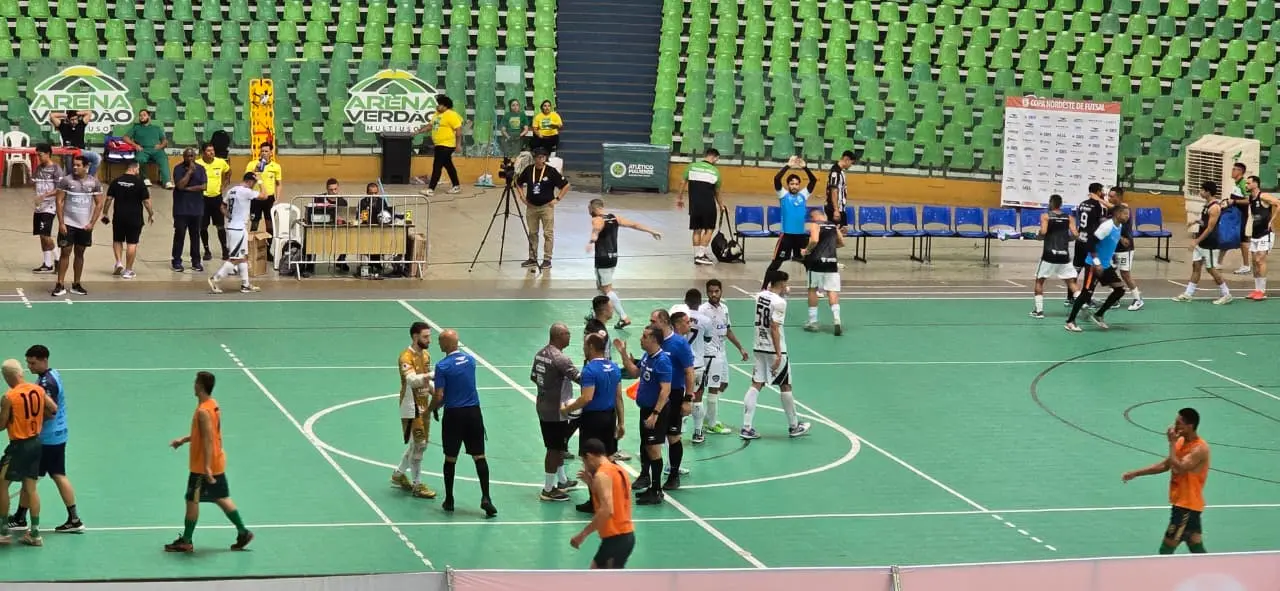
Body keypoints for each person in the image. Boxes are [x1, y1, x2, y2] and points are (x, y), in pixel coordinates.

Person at [164, 372, 253, 553]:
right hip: (217, 461)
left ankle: (186, 541)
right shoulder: (213, 405)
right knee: (221, 498)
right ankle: (243, 531)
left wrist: (206, 468)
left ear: (200, 386)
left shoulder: (203, 411)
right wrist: (184, 440)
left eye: (195, 382)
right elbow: (206, 434)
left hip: (202, 467)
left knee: (191, 500)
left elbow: (208, 440)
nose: (193, 385)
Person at [9, 346, 83, 533]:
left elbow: (50, 412)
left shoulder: (46, 384)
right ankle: (21, 516)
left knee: (35, 477)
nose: (29, 367)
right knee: (52, 475)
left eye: (32, 363)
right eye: (27, 363)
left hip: (47, 439)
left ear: (44, 360)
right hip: (58, 435)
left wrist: (27, 417)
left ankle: (22, 518)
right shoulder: (52, 375)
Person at [1122, 408, 1210, 555]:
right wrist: (1136, 473)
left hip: (1186, 506)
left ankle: (1161, 576)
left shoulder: (1200, 449)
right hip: (1185, 504)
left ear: (1190, 426)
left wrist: (1171, 444)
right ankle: (1211, 574)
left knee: (1166, 549)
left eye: (1179, 423)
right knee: (1195, 546)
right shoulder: (1181, 442)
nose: (1175, 426)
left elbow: (1180, 468)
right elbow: (1166, 465)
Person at [429, 330, 497, 517]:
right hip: (473, 413)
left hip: (454, 415)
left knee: (450, 458)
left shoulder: (442, 366)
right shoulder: (471, 361)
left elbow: (440, 395)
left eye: (441, 342)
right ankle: (486, 497)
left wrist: (431, 409)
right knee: (479, 456)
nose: (439, 345)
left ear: (448, 344)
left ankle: (449, 499)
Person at [742, 270, 811, 440]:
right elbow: (774, 326)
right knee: (785, 385)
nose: (787, 286)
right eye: (785, 283)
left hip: (758, 346)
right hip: (774, 348)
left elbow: (770, 301)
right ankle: (794, 426)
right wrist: (779, 353)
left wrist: (782, 294)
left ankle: (746, 427)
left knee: (756, 384)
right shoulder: (780, 303)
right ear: (781, 283)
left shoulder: (760, 296)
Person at [561, 333, 623, 512]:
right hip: (610, 417)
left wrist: (567, 409)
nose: (582, 348)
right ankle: (611, 499)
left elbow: (586, 397)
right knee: (608, 459)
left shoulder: (589, 370)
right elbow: (618, 397)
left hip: (593, 419)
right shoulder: (614, 367)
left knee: (590, 460)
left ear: (590, 348)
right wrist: (622, 422)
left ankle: (595, 502)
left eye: (584, 345)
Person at [0, 358, 58, 546]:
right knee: (31, 489)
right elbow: (53, 409)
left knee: (1, 486)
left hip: (18, 447)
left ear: (6, 377)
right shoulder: (38, 390)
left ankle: (3, 532)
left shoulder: (9, 396)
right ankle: (34, 534)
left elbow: (1, 425)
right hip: (36, 444)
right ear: (21, 373)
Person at [614, 325, 672, 505]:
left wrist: (655, 414)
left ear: (654, 340)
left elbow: (665, 390)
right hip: (645, 410)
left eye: (645, 336)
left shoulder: (662, 360)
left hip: (656, 412)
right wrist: (623, 353)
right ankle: (652, 487)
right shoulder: (648, 356)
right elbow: (634, 372)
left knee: (654, 449)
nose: (641, 338)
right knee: (647, 447)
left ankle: (656, 490)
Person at [586, 198, 663, 330]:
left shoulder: (597, 218)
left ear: (593, 208)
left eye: (589, 208)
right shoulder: (614, 218)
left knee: (607, 290)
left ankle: (623, 317)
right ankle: (595, 315)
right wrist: (651, 231)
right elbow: (634, 224)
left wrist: (593, 238)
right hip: (613, 257)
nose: (588, 210)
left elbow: (597, 227)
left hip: (602, 258)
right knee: (600, 287)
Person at [532, 323, 584, 502]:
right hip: (557, 411)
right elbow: (580, 379)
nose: (570, 336)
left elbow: (534, 377)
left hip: (543, 405)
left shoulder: (540, 354)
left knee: (559, 446)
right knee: (554, 449)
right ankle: (548, 489)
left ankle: (562, 481)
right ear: (559, 335)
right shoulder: (560, 359)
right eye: (568, 333)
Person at [569, 438, 635, 569]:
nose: (584, 466)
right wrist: (591, 483)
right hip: (624, 536)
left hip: (615, 538)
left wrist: (583, 534)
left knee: (604, 583)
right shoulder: (617, 470)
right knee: (599, 578)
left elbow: (607, 510)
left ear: (589, 456)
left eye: (583, 461)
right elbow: (615, 497)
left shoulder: (601, 475)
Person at [1065, 204, 1130, 332]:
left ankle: (1099, 314)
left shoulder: (1119, 226)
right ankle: (1070, 321)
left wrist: (1122, 239)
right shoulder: (1107, 226)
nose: (1127, 216)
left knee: (1120, 289)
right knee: (1086, 294)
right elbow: (1090, 243)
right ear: (1117, 214)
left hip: (1105, 265)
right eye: (1125, 214)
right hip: (1094, 265)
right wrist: (1096, 262)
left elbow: (1110, 240)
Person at [391, 322, 437, 499]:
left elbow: (426, 381)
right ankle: (417, 485)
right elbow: (411, 380)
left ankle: (398, 473)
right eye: (426, 336)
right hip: (411, 407)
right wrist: (432, 375)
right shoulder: (405, 357)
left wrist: (439, 392)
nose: (429, 340)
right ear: (415, 336)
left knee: (417, 444)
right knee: (420, 445)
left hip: (424, 405)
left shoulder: (425, 355)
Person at [697, 279, 748, 436]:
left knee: (723, 384)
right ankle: (711, 424)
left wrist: (740, 348)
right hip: (710, 353)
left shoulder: (724, 308)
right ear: (707, 292)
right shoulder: (702, 310)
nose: (713, 294)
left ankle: (707, 418)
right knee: (712, 387)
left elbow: (727, 330)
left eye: (716, 291)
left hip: (722, 351)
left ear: (721, 291)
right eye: (711, 291)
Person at [585, 295, 632, 464]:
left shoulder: (595, 325)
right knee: (609, 404)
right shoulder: (599, 331)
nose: (613, 309)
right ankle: (612, 444)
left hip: (600, 370)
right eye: (611, 307)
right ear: (604, 309)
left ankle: (612, 444)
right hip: (603, 372)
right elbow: (592, 352)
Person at [651, 309, 695, 490]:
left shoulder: (679, 344)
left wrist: (687, 399)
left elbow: (689, 372)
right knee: (651, 436)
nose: (651, 324)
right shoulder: (655, 341)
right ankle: (646, 475)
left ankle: (673, 475)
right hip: (657, 392)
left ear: (663, 321)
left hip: (675, 394)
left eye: (653, 321)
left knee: (673, 436)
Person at [52, 155, 105, 297]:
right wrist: (62, 223)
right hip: (68, 224)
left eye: (78, 165)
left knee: (80, 253)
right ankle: (60, 284)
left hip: (84, 226)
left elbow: (99, 203)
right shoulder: (66, 181)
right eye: (74, 165)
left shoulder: (94, 183)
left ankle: (76, 284)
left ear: (86, 167)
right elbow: (59, 202)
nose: (75, 167)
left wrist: (92, 223)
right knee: (65, 253)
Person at [1173, 181, 1233, 305]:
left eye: (1202, 190)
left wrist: (1196, 241)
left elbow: (1210, 228)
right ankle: (1188, 294)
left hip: (1210, 243)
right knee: (1196, 266)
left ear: (1208, 192)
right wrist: (1195, 221)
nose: (1200, 192)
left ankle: (1226, 294)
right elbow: (1205, 222)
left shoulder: (1215, 207)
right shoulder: (1207, 205)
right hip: (1201, 242)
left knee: (1211, 269)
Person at [207, 173, 268, 294]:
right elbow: (265, 196)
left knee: (243, 257)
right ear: (250, 182)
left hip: (234, 227)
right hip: (238, 229)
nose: (253, 186)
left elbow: (222, 207)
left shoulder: (232, 190)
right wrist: (260, 181)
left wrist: (230, 216)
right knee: (235, 258)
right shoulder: (245, 191)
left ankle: (245, 285)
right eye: (254, 183)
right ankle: (215, 279)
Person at [764, 157, 817, 288]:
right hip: (786, 236)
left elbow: (813, 180)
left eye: (796, 184)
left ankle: (814, 287)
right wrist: (788, 166)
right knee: (776, 263)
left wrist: (805, 167)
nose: (794, 186)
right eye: (792, 184)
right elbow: (776, 179)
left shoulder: (803, 195)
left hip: (800, 236)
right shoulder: (783, 195)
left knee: (809, 262)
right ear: (788, 185)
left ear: (799, 185)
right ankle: (764, 288)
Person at [670, 290, 713, 444]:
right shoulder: (705, 320)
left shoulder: (677, 318)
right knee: (697, 399)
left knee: (679, 400)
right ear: (700, 302)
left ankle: (677, 434)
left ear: (685, 301)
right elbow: (708, 339)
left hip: (680, 364)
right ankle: (698, 432)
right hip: (698, 364)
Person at [517, 148, 571, 269]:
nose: (540, 159)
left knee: (548, 233)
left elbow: (566, 185)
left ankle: (547, 259)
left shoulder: (551, 171)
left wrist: (557, 199)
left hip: (547, 206)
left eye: (543, 157)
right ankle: (532, 257)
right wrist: (522, 197)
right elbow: (518, 182)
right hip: (531, 206)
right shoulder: (529, 170)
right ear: (534, 158)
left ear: (545, 158)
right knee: (532, 233)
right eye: (538, 157)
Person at [102, 161, 155, 279]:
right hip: (134, 218)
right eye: (138, 169)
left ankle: (119, 262)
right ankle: (128, 270)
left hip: (119, 217)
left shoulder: (116, 181)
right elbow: (146, 201)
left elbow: (109, 199)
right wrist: (151, 214)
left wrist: (105, 213)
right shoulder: (140, 183)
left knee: (117, 240)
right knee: (132, 243)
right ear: (135, 168)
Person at [1030, 195, 1080, 319]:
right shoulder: (1069, 218)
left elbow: (1043, 232)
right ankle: (1082, 304)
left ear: (1051, 203)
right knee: (1071, 282)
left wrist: (1038, 237)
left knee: (1039, 280)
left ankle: (1039, 311)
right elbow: (1075, 234)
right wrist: (1066, 239)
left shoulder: (1045, 216)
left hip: (1049, 255)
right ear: (1061, 204)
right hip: (1064, 255)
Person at [675, 148, 722, 265]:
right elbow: (717, 192)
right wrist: (721, 205)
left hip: (694, 205)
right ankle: (701, 255)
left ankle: (697, 255)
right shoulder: (715, 171)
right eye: (717, 159)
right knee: (709, 229)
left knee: (697, 230)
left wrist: (679, 198)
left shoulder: (691, 167)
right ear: (714, 157)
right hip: (709, 205)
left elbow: (682, 182)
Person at [802, 208, 845, 335]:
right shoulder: (833, 225)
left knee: (812, 289)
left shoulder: (815, 225)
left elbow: (814, 240)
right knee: (832, 291)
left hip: (816, 262)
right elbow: (841, 243)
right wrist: (831, 245)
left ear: (817, 216)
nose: (811, 219)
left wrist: (806, 250)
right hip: (832, 262)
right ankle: (837, 319)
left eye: (811, 216)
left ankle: (813, 322)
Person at [1069, 183, 1109, 307]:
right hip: (1090, 241)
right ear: (1097, 192)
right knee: (1089, 272)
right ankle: (1087, 299)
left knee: (1076, 269)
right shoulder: (1098, 206)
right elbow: (1101, 223)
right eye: (1101, 190)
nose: (1103, 192)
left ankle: (1070, 297)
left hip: (1080, 239)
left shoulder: (1082, 204)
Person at [171, 148, 208, 273]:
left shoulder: (201, 169)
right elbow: (180, 185)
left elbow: (204, 186)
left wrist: (188, 189)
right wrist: (189, 173)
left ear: (195, 156)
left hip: (196, 209)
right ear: (183, 156)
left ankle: (196, 261)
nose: (190, 158)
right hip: (181, 209)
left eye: (192, 156)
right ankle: (176, 261)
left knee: (195, 235)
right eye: (187, 156)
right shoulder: (178, 169)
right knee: (179, 235)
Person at [419, 95, 464, 197]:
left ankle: (431, 189)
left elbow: (458, 130)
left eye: (440, 104)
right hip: (439, 144)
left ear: (445, 106)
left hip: (447, 144)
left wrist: (458, 145)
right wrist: (418, 131)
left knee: (437, 166)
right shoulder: (437, 115)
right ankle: (456, 186)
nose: (438, 106)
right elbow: (430, 126)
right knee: (448, 165)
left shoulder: (451, 114)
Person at [1108, 187, 1144, 311]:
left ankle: (1138, 300)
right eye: (1108, 196)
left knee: (1125, 274)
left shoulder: (1124, 210)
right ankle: (1115, 298)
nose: (1109, 198)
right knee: (1111, 274)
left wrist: (1097, 199)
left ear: (1118, 197)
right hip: (1112, 248)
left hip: (1125, 249)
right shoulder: (1110, 209)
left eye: (1112, 196)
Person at [30, 143, 64, 275]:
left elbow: (59, 189)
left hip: (50, 206)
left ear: (48, 154)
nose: (38, 157)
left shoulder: (56, 169)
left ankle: (58, 259)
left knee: (45, 235)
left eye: (40, 155)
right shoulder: (38, 168)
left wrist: (44, 195)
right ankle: (47, 264)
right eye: (37, 155)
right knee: (41, 235)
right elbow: (33, 182)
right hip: (39, 207)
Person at [1244, 175, 1279, 300]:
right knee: (1254, 262)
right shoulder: (1251, 198)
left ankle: (1262, 291)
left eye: (1248, 183)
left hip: (1266, 233)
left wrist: (1272, 220)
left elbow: (1278, 204)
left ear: (1255, 184)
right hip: (1255, 234)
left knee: (1260, 260)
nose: (1246, 185)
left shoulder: (1263, 196)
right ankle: (1256, 290)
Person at [196, 142, 232, 262]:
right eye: (208, 151)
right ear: (203, 153)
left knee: (220, 226)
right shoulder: (197, 164)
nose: (212, 152)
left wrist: (225, 184)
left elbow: (228, 172)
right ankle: (206, 250)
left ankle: (224, 250)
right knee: (203, 226)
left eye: (213, 150)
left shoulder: (220, 162)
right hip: (202, 199)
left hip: (216, 198)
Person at [123, 109, 173, 189]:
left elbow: (165, 141)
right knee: (140, 159)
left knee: (163, 158)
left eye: (144, 115)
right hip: (143, 149)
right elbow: (125, 138)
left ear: (149, 117)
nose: (141, 117)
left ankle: (167, 181)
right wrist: (135, 145)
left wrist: (160, 146)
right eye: (140, 115)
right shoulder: (136, 127)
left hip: (156, 150)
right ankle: (145, 179)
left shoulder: (156, 128)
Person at [245, 142, 283, 236]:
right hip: (256, 198)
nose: (264, 153)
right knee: (254, 224)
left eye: (266, 151)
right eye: (262, 151)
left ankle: (268, 249)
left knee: (270, 225)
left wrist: (277, 199)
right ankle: (253, 248)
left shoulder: (276, 167)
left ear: (271, 153)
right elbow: (246, 181)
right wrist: (255, 170)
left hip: (269, 199)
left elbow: (278, 184)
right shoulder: (252, 164)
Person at [49, 110, 101, 176]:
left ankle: (89, 177)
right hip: (69, 152)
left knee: (97, 158)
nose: (74, 121)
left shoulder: (81, 124)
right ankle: (71, 181)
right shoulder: (63, 126)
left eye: (75, 119)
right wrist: (66, 115)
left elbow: (89, 113)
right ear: (68, 120)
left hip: (81, 151)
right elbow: (52, 116)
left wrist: (75, 113)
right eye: (72, 120)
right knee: (70, 173)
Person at [1224, 162, 1252, 275]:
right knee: (1227, 235)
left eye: (1234, 169)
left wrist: (1234, 201)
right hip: (1234, 215)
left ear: (1240, 171)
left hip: (1240, 216)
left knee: (1242, 240)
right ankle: (1218, 262)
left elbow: (1248, 200)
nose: (1232, 171)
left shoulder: (1243, 184)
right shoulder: (1236, 184)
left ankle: (1246, 265)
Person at [825, 150, 856, 228]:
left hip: (840, 208)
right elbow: (833, 191)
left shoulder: (841, 172)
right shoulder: (835, 172)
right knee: (834, 234)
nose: (850, 165)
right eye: (851, 163)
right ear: (846, 159)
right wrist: (836, 210)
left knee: (841, 232)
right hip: (835, 209)